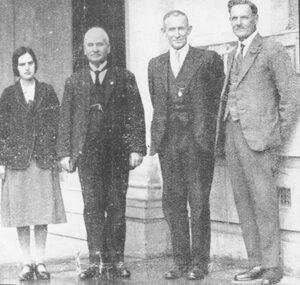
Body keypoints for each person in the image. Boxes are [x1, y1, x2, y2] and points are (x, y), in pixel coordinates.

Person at [215, 1, 299, 284]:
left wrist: (276, 138)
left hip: (260, 140)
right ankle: (255, 263)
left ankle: (273, 267)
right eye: (234, 18)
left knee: (264, 203)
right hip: (232, 134)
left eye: (244, 17)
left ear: (255, 19)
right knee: (243, 202)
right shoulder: (231, 54)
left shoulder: (272, 50)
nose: (238, 22)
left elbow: (290, 98)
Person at [57, 26, 146, 280]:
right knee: (92, 208)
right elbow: (66, 119)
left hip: (117, 155)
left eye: (100, 44)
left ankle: (116, 260)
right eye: (90, 45)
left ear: (109, 48)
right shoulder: (74, 81)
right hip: (88, 156)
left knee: (117, 206)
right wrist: (65, 153)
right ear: (84, 50)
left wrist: (136, 148)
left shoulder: (125, 77)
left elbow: (135, 114)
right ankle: (95, 260)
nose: (95, 49)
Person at [148, 10, 224, 281]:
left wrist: (205, 134)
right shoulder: (155, 64)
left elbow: (216, 100)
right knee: (173, 203)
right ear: (164, 32)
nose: (177, 34)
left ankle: (199, 263)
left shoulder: (207, 59)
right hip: (168, 143)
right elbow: (158, 103)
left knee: (199, 203)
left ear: (189, 29)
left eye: (182, 29)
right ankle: (180, 262)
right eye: (172, 29)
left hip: (197, 142)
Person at [0, 47, 66, 281]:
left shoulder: (47, 92)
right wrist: (2, 162)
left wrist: (58, 157)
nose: (26, 68)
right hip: (18, 163)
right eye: (21, 64)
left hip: (42, 161)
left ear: (35, 65)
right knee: (21, 215)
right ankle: (26, 263)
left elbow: (58, 125)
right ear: (16, 68)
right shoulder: (8, 94)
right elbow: (2, 130)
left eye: (30, 63)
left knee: (40, 214)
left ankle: (40, 261)